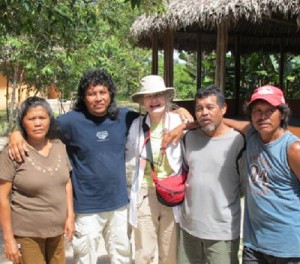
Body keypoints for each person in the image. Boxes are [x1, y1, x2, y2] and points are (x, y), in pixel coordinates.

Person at [8, 69, 193, 264]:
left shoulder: (124, 118)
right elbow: (38, 125)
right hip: (87, 207)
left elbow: (155, 111)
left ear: (110, 94)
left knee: (121, 256)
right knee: (85, 258)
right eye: (91, 93)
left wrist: (179, 111)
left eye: (103, 92)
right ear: (84, 97)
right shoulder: (70, 122)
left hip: (119, 205)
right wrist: (16, 133)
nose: (98, 98)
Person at [224, 85, 300, 263]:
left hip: (289, 247)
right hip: (254, 244)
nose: (263, 116)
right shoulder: (252, 135)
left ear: (281, 114)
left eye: (270, 110)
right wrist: (189, 124)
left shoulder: (293, 149)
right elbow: (227, 122)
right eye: (257, 110)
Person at [0, 97, 74, 264]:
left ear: (50, 119)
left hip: (57, 232)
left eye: (42, 118)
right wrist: (8, 238)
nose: (38, 123)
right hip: (27, 235)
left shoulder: (59, 146)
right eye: (32, 118)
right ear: (23, 122)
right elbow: (2, 198)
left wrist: (70, 216)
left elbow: (66, 183)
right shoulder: (13, 152)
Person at [178, 85, 246, 264]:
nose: (204, 113)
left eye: (210, 107)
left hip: (221, 232)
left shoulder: (238, 141)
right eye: (199, 109)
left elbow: (244, 185)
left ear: (223, 109)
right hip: (189, 228)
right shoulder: (188, 138)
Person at [126, 75, 184, 264]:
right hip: (145, 192)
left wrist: (185, 121)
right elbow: (128, 155)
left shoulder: (179, 122)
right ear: (142, 102)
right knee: (144, 252)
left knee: (169, 252)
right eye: (148, 96)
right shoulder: (136, 125)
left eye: (158, 95)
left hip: (172, 193)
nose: (154, 100)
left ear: (167, 98)